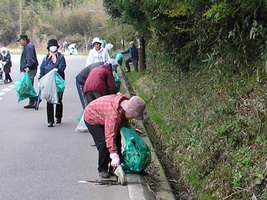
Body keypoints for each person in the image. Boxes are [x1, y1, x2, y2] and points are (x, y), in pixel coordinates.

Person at [84, 95, 146, 178]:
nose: (132, 118)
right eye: (132, 115)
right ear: (127, 110)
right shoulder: (113, 115)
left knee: (117, 140)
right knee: (104, 143)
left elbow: (123, 122)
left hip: (104, 115)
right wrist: (113, 154)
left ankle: (115, 168)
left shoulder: (125, 106)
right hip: (92, 117)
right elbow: (109, 136)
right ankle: (102, 169)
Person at [38, 39, 66, 127]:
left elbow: (62, 67)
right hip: (48, 82)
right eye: (51, 46)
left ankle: (58, 116)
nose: (52, 48)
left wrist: (57, 70)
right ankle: (50, 120)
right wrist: (40, 79)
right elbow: (42, 69)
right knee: (49, 99)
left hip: (58, 81)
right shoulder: (46, 58)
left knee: (58, 99)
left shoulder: (60, 57)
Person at [17, 34, 39, 109]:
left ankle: (36, 98)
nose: (20, 43)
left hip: (30, 69)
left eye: (20, 41)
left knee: (28, 86)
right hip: (30, 68)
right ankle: (32, 101)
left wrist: (28, 66)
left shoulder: (29, 47)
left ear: (24, 40)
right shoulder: (27, 46)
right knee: (29, 85)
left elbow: (30, 58)